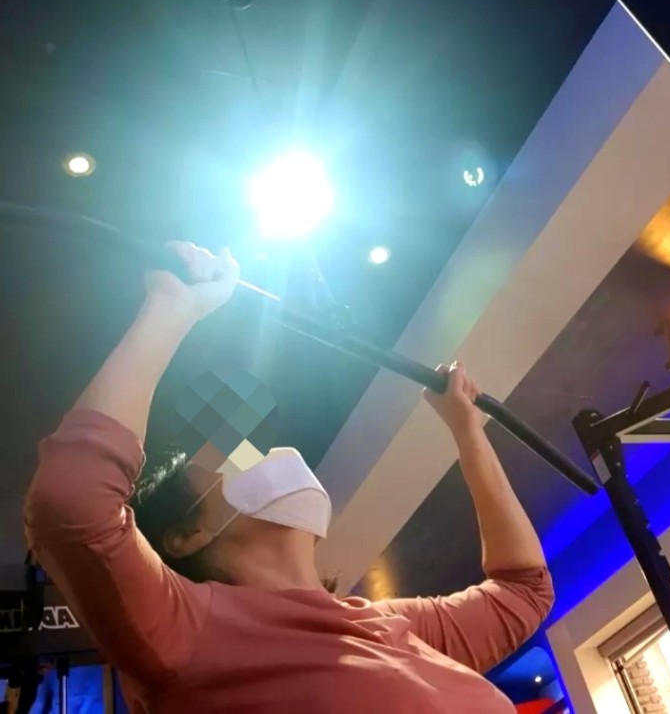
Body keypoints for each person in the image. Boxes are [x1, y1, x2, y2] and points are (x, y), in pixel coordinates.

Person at [25, 242, 554, 713]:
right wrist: (172, 306)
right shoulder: (189, 629)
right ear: (187, 533)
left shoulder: (390, 625)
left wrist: (467, 428)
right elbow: (72, 499)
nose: (258, 450)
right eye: (230, 455)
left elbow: (524, 590)